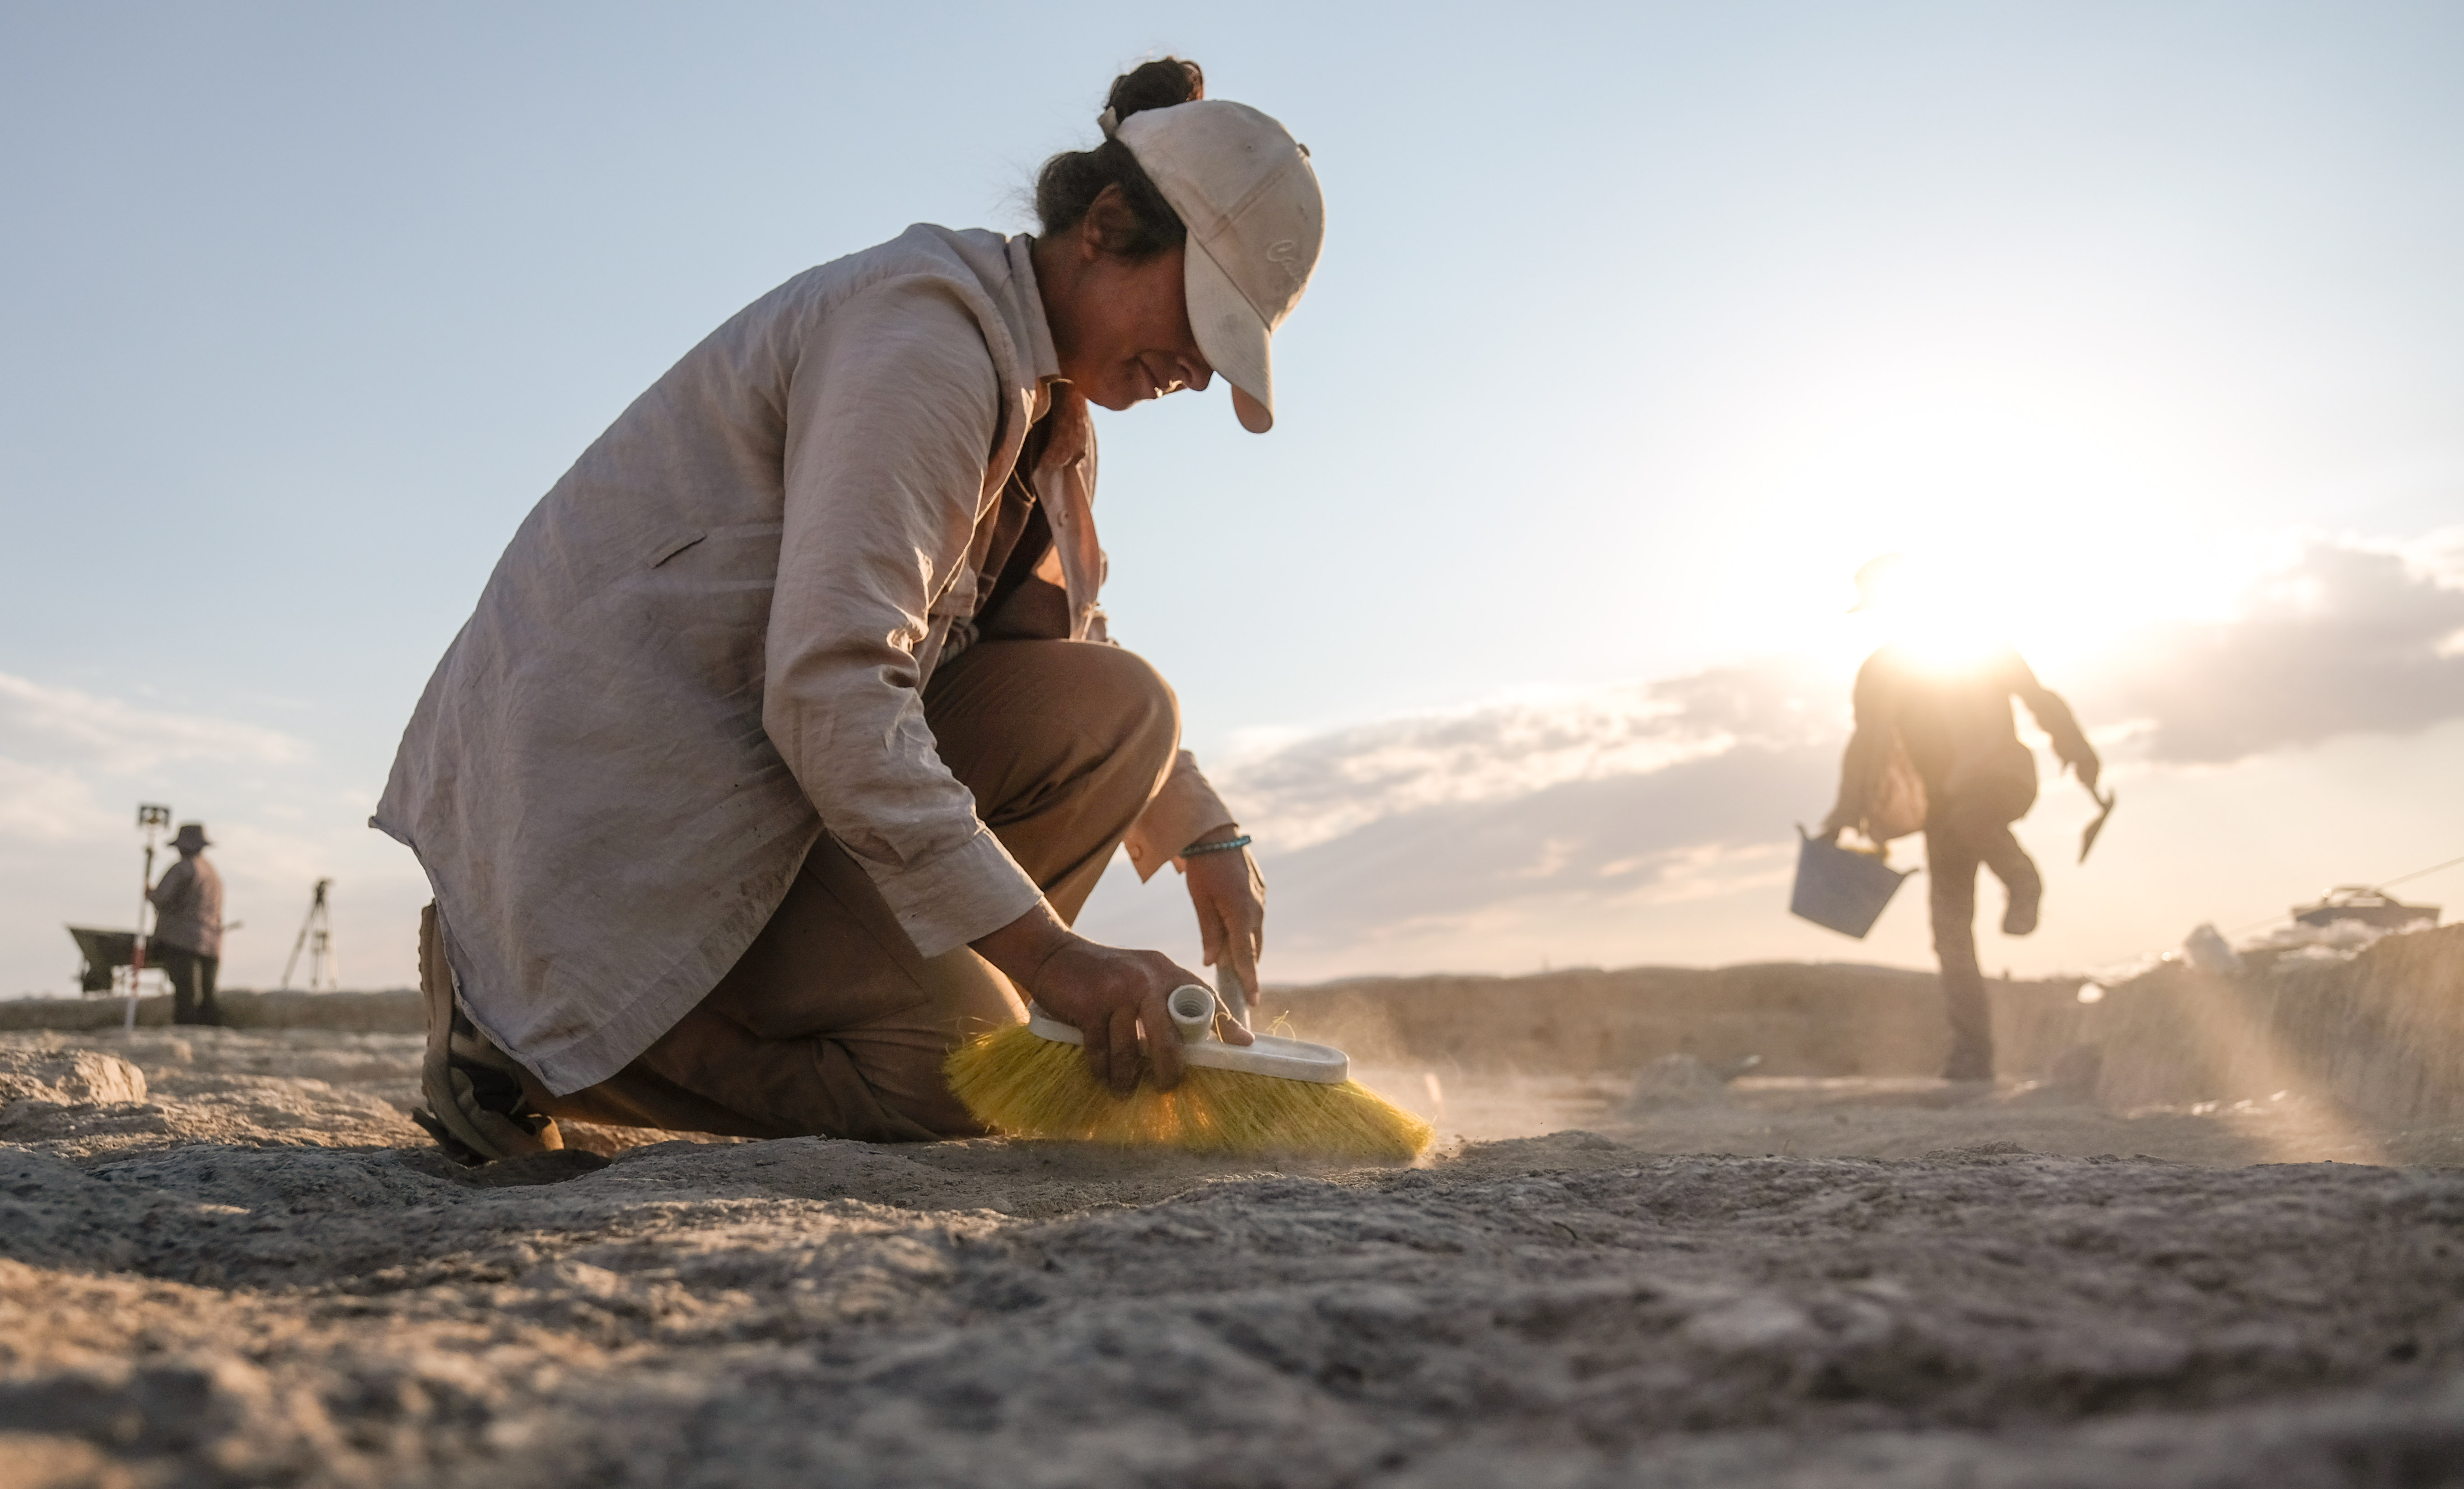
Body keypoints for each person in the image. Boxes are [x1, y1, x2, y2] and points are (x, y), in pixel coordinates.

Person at [376, 59, 1319, 1162]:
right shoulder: (923, 338)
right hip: (613, 843)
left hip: (760, 808)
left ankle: (925, 996)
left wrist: (1202, 829)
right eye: (1203, 319)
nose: (1200, 372)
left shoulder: (1049, 413)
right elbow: (831, 686)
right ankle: (514, 1036)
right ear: (1106, 225)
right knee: (976, 1072)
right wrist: (1057, 959)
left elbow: (1070, 650)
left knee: (1121, 711)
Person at [1819, 557, 2100, 1082]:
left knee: (1973, 818)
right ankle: (1971, 1056)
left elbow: (2038, 699)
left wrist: (2077, 750)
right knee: (1949, 931)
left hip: (1998, 777)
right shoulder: (1880, 672)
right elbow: (1866, 744)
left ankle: (2021, 876)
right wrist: (1842, 813)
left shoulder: (1982, 645)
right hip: (1940, 806)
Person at [147, 822, 224, 1026]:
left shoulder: (182, 869)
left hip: (181, 940)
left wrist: (150, 893)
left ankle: (187, 1033)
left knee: (187, 997)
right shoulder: (212, 872)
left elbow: (162, 898)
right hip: (211, 942)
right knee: (208, 997)